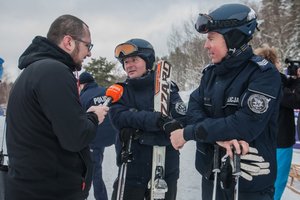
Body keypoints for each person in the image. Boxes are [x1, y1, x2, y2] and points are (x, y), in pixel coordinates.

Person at [170, 3, 282, 200]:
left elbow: (244, 125)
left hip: (248, 181)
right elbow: (193, 112)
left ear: (233, 38)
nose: (206, 45)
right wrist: (220, 137)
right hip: (211, 176)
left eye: (211, 38)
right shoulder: (210, 74)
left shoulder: (264, 75)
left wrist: (188, 133)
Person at [5, 14, 109, 200]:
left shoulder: (33, 71)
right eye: (88, 45)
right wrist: (93, 117)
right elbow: (75, 137)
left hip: (32, 188)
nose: (89, 53)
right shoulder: (55, 71)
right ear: (68, 41)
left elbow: (52, 128)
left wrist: (83, 118)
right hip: (49, 192)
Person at [109, 38, 186, 200]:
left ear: (147, 60)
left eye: (134, 60)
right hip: (132, 167)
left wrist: (140, 127)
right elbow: (118, 117)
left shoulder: (168, 88)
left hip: (166, 167)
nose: (129, 65)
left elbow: (180, 119)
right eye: (125, 62)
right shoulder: (121, 91)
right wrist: (157, 121)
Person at [254, 45, 300, 199]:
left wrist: (295, 79)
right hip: (279, 141)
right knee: (277, 183)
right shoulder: (273, 82)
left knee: (262, 182)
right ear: (274, 63)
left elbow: (287, 85)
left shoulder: (258, 79)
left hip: (261, 140)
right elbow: (295, 100)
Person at [79, 71, 118, 200]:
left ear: (82, 85)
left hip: (95, 138)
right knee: (123, 165)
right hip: (114, 134)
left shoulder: (82, 98)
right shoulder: (106, 91)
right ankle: (119, 190)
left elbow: (80, 122)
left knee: (96, 172)